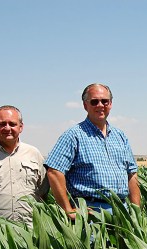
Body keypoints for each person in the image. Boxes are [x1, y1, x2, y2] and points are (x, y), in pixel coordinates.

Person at [45, 83, 140, 219]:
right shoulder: (73, 135)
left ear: (111, 104)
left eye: (104, 101)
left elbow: (132, 173)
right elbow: (54, 172)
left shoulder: (120, 136)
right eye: (94, 102)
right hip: (91, 211)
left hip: (122, 210)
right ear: (85, 105)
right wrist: (68, 210)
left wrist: (136, 211)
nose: (100, 105)